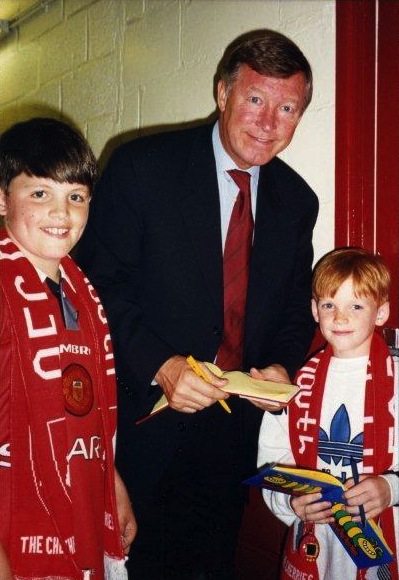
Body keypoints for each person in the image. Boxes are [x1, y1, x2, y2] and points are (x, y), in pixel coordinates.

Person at [76, 29, 319, 579]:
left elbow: (288, 311)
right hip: (142, 426)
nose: (267, 122)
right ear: (222, 94)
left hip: (232, 437)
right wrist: (161, 366)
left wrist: (283, 366)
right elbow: (97, 285)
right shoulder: (142, 167)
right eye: (255, 100)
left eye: (287, 108)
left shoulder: (298, 200)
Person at [0, 117, 137, 580]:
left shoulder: (80, 290)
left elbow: (84, 408)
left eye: (75, 197)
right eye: (40, 193)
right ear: (2, 197)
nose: (62, 213)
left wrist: (111, 483)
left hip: (79, 496)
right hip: (14, 516)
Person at [258, 247, 399, 579]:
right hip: (318, 541)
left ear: (381, 313)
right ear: (314, 309)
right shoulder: (296, 386)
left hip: (387, 532)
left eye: (356, 306)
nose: (340, 317)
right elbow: (273, 462)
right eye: (329, 305)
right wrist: (290, 503)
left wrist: (390, 488)